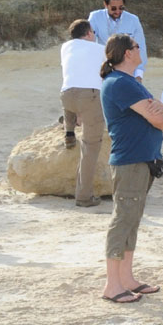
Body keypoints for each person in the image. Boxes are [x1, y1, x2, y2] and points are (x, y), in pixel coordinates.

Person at [100, 33, 163, 303]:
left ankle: (127, 279)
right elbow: (160, 120)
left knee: (132, 219)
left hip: (142, 158)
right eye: (137, 46)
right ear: (127, 53)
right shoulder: (120, 83)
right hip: (130, 160)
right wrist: (162, 112)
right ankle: (112, 285)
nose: (141, 49)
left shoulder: (130, 83)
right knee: (123, 219)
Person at [60, 19, 108, 208]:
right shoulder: (99, 49)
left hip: (66, 96)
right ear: (88, 33)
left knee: (69, 93)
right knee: (90, 147)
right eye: (93, 32)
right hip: (89, 97)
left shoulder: (65, 47)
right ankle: (84, 196)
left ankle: (69, 131)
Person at [88, 0, 147, 79]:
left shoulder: (133, 20)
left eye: (121, 8)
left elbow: (141, 47)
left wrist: (139, 74)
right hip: (103, 68)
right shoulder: (95, 17)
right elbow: (89, 42)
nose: (118, 11)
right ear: (106, 4)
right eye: (113, 8)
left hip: (127, 69)